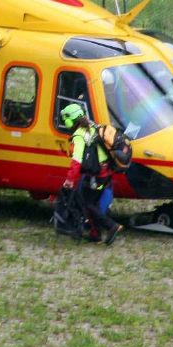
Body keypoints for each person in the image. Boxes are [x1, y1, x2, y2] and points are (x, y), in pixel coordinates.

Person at [59, 103, 121, 245]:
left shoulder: (79, 135)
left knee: (88, 203)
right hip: (106, 172)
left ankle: (112, 226)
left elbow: (77, 161)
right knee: (89, 200)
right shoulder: (92, 126)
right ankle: (95, 233)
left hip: (97, 175)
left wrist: (70, 180)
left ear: (70, 121)